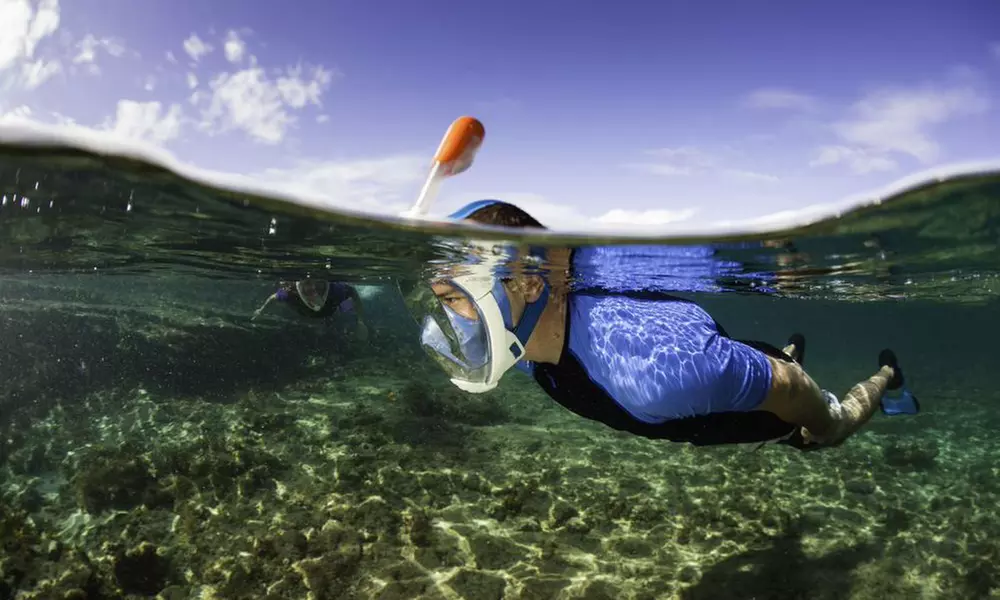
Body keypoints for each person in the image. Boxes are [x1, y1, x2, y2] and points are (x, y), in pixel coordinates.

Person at [410, 199, 920, 450]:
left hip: (772, 407)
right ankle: (783, 352)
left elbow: (787, 389)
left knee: (817, 421)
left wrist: (823, 422)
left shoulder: (653, 376)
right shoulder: (521, 345)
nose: (448, 326)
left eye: (457, 299)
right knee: (767, 367)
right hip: (718, 374)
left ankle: (886, 378)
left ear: (527, 284)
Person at [252, 279, 369, 341]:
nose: (314, 290)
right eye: (307, 285)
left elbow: (353, 292)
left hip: (331, 310)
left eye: (319, 285)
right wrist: (261, 311)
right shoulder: (290, 291)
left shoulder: (336, 290)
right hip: (302, 312)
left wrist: (360, 321)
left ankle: (340, 316)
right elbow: (273, 298)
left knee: (345, 309)